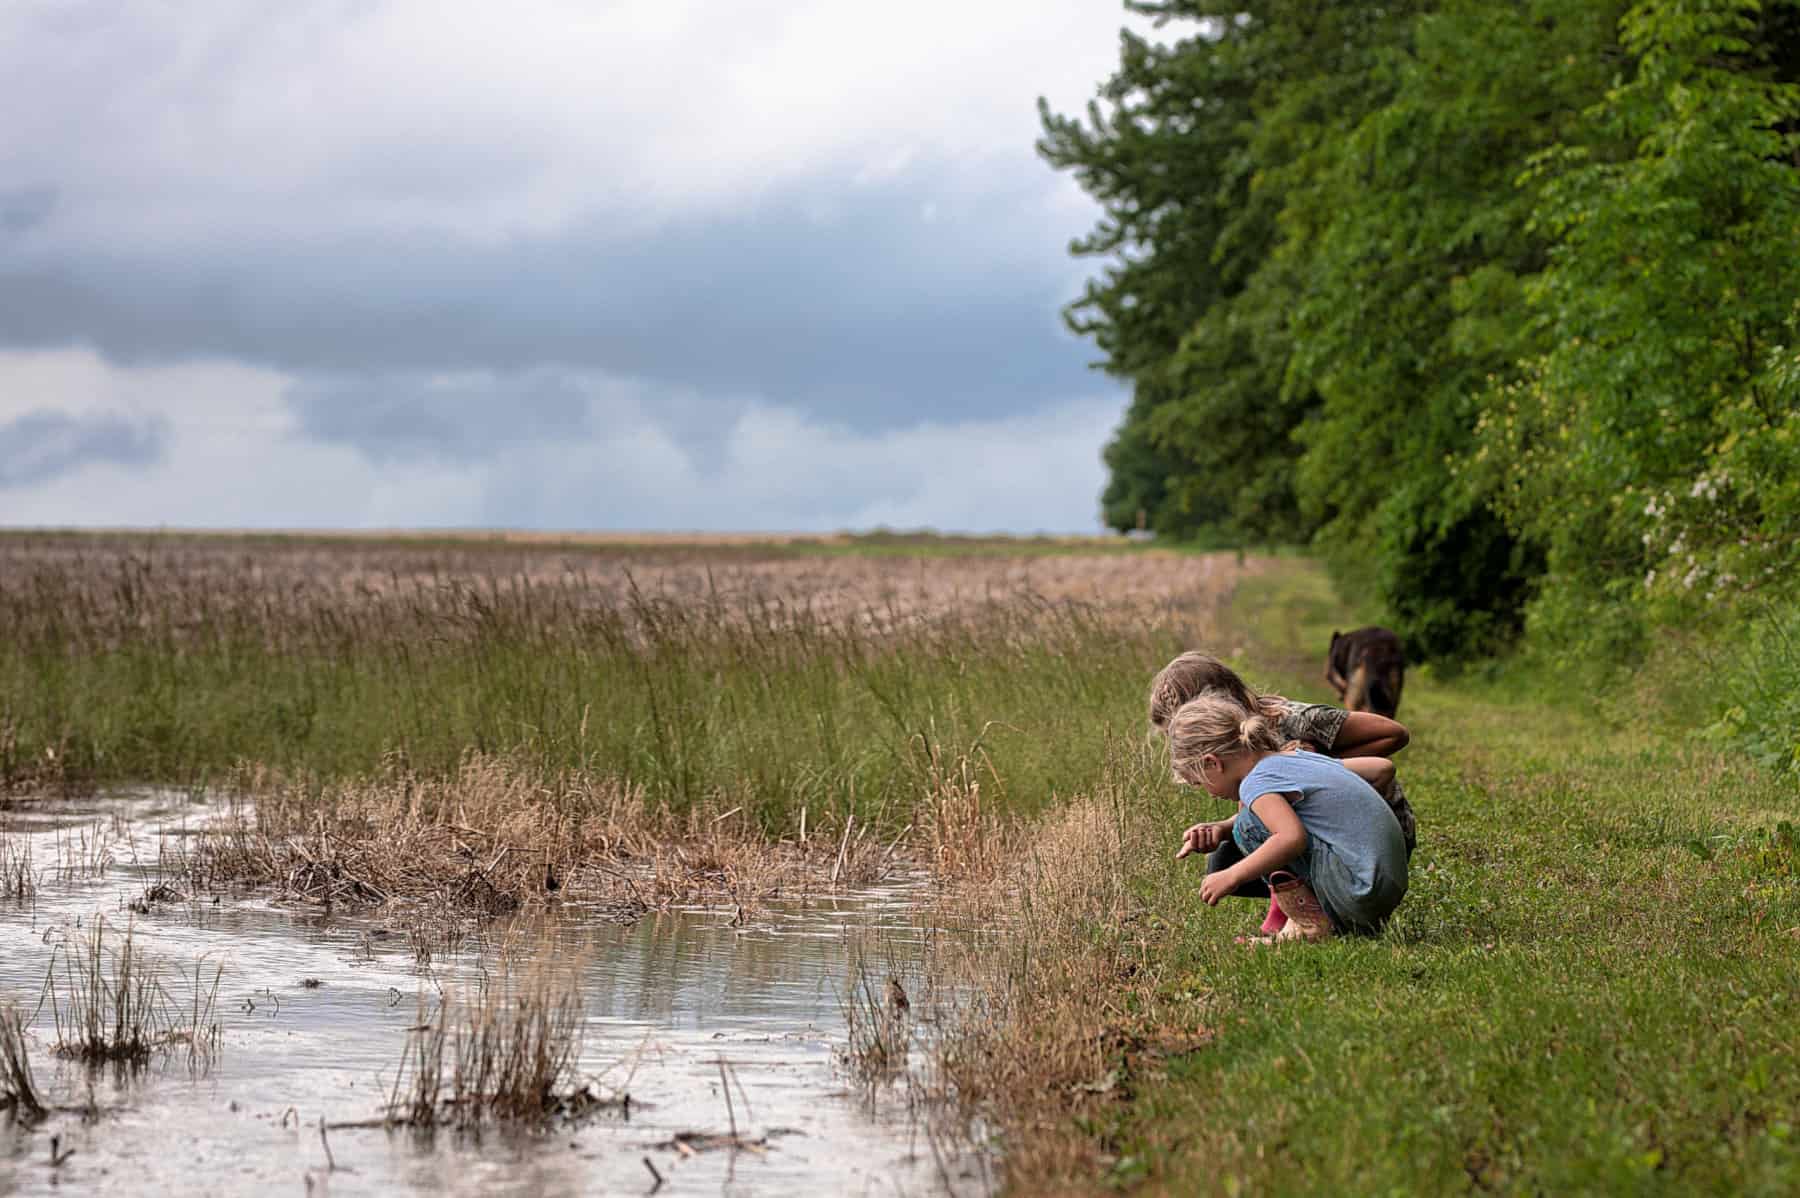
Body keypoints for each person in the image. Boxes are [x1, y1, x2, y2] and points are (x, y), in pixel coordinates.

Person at [1168, 694, 1408, 942]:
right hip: (1386, 889)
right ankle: (1333, 915)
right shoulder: (1297, 758)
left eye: (1199, 783)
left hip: (1358, 893)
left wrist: (1231, 875)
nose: (1210, 794)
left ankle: (1309, 926)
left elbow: (1291, 838)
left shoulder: (1255, 782)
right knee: (1273, 820)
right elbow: (1381, 768)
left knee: (1246, 825)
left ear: (1212, 763)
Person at [1148, 651, 1416, 852]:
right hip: (1334, 825)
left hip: (1376, 831)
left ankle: (1310, 917)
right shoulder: (1235, 750)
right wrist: (1221, 828)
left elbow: (1394, 734)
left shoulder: (1296, 720)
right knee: (1234, 842)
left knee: (1255, 831)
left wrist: (1313, 766)